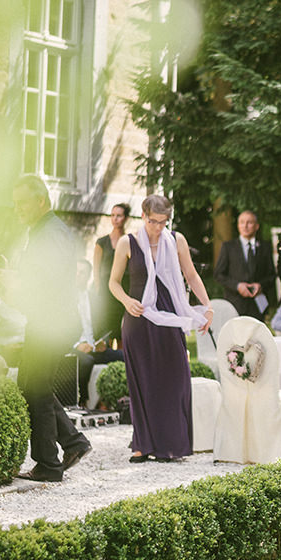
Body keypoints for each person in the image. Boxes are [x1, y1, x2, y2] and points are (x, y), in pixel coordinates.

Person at [110, 194, 212, 462]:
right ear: (143, 215)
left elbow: (190, 274)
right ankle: (142, 444)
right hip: (138, 318)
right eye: (154, 221)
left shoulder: (176, 239)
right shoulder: (127, 243)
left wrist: (206, 305)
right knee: (142, 382)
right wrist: (127, 301)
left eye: (163, 222)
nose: (158, 227)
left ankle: (171, 445)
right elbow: (113, 283)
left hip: (169, 317)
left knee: (175, 379)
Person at [10, 175, 93, 482]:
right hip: (48, 321)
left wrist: (15, 285)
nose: (17, 208)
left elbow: (49, 279)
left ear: (41, 201)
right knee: (31, 386)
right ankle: (73, 442)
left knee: (36, 389)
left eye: (22, 203)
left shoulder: (50, 233)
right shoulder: (45, 230)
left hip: (51, 323)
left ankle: (48, 465)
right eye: (15, 203)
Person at [73, 259, 123, 407]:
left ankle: (113, 400)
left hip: (94, 346)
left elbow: (102, 325)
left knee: (123, 356)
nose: (78, 275)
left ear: (88, 276)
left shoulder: (94, 299)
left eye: (82, 273)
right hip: (75, 348)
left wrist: (102, 341)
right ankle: (82, 401)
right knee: (86, 361)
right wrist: (77, 345)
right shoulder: (65, 299)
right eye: (76, 271)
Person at [214, 210, 276, 319]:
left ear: (256, 226)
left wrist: (260, 286)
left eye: (249, 222)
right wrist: (238, 286)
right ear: (238, 225)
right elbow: (219, 274)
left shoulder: (265, 247)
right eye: (242, 222)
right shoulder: (228, 247)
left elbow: (271, 275)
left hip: (257, 305)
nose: (245, 226)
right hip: (235, 304)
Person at [92, 203, 131, 346]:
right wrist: (97, 288)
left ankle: (121, 359)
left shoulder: (129, 242)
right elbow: (96, 268)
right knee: (105, 327)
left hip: (124, 288)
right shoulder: (101, 242)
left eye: (119, 215)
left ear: (126, 218)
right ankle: (107, 357)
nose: (115, 219)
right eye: (113, 215)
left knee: (121, 329)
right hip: (105, 290)